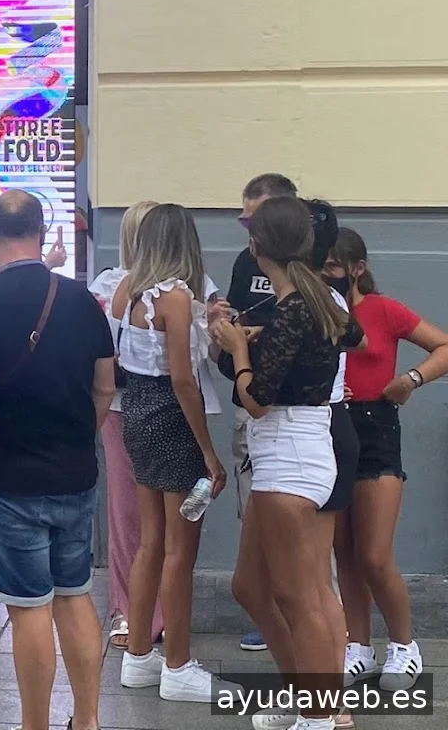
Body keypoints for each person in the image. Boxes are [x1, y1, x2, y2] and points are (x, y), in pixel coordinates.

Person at [0, 190, 117, 730]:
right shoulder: (82, 300)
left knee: (28, 608)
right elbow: (105, 385)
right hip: (74, 474)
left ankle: (34, 724)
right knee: (75, 597)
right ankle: (87, 720)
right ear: (42, 234)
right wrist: (79, 435)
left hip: (6, 478)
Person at [213, 197, 364, 730]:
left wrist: (238, 348)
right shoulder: (313, 302)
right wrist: (255, 338)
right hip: (301, 449)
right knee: (256, 587)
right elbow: (348, 338)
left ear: (256, 248)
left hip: (289, 456)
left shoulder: (295, 307)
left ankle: (320, 716)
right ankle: (312, 702)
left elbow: (257, 399)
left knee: (302, 598)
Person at [112, 204, 225, 703]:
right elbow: (183, 380)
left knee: (151, 543)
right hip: (172, 421)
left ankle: (138, 656)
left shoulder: (126, 289)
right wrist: (208, 451)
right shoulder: (175, 297)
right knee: (181, 550)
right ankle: (177, 665)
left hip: (136, 414)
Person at [326, 228, 446, 694]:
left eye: (334, 266)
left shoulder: (384, 310)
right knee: (344, 550)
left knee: (374, 554)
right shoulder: (320, 309)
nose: (326, 274)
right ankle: (358, 645)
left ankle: (404, 644)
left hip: (376, 427)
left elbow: (443, 347)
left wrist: (411, 379)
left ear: (357, 268)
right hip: (333, 426)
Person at [216, 172, 297, 654]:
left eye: (255, 220)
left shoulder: (309, 274)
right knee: (254, 518)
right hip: (250, 405)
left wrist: (248, 341)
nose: (248, 232)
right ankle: (269, 615)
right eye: (243, 220)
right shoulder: (245, 262)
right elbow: (237, 323)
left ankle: (317, 627)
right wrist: (223, 331)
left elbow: (338, 332)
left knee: (305, 531)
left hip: (289, 410)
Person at [88, 201, 163, 649]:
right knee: (130, 511)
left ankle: (152, 609)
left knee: (156, 515)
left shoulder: (190, 285)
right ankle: (129, 608)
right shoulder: (108, 285)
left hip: (153, 408)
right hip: (130, 406)